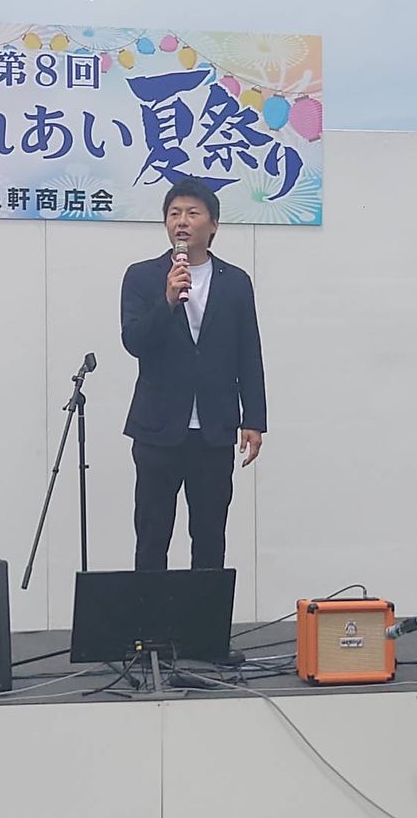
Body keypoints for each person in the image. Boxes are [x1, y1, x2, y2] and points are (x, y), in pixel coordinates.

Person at [119, 177, 267, 571]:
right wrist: (167, 301)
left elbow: (248, 352)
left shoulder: (235, 282)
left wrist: (254, 419)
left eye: (192, 213)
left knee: (210, 537)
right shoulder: (142, 276)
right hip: (157, 429)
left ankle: (205, 613)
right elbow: (134, 341)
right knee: (152, 535)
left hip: (214, 430)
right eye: (174, 213)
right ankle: (149, 612)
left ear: (213, 224)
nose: (181, 221)